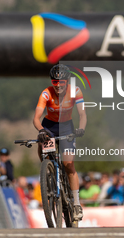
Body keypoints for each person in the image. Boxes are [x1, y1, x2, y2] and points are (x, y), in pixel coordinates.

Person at [33, 64, 87, 220]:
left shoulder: (75, 91)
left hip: (66, 127)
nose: (58, 86)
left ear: (67, 82)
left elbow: (82, 113)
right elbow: (36, 117)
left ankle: (76, 204)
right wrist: (41, 130)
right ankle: (47, 171)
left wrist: (81, 129)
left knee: (68, 164)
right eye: (54, 82)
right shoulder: (46, 93)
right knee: (42, 144)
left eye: (61, 83)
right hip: (49, 126)